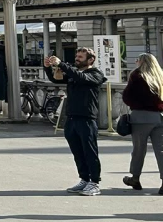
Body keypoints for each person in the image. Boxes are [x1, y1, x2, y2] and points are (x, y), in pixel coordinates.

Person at [45, 47, 107, 196]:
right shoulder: (74, 73)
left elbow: (81, 78)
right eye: (77, 56)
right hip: (71, 118)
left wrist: (62, 64)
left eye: (81, 57)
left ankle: (94, 182)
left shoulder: (95, 74)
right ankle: (84, 179)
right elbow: (56, 79)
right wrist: (47, 67)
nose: (77, 58)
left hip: (87, 118)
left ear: (90, 60)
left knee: (90, 151)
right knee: (77, 152)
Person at [121, 53, 163, 193]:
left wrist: (136, 104)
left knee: (139, 150)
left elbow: (127, 97)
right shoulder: (160, 76)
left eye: (137, 60)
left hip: (140, 117)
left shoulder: (137, 76)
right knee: (161, 151)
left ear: (141, 62)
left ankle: (135, 178)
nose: (135, 62)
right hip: (158, 118)